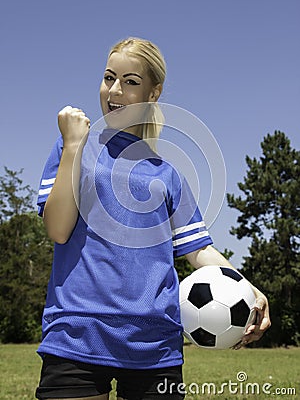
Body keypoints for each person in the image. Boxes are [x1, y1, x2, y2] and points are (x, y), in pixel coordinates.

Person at [35, 37, 270, 400]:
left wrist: (247, 287)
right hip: (76, 334)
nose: (114, 90)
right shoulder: (74, 146)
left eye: (130, 82)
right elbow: (58, 229)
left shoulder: (167, 174)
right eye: (109, 77)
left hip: (154, 344)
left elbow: (200, 251)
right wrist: (71, 147)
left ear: (153, 93)